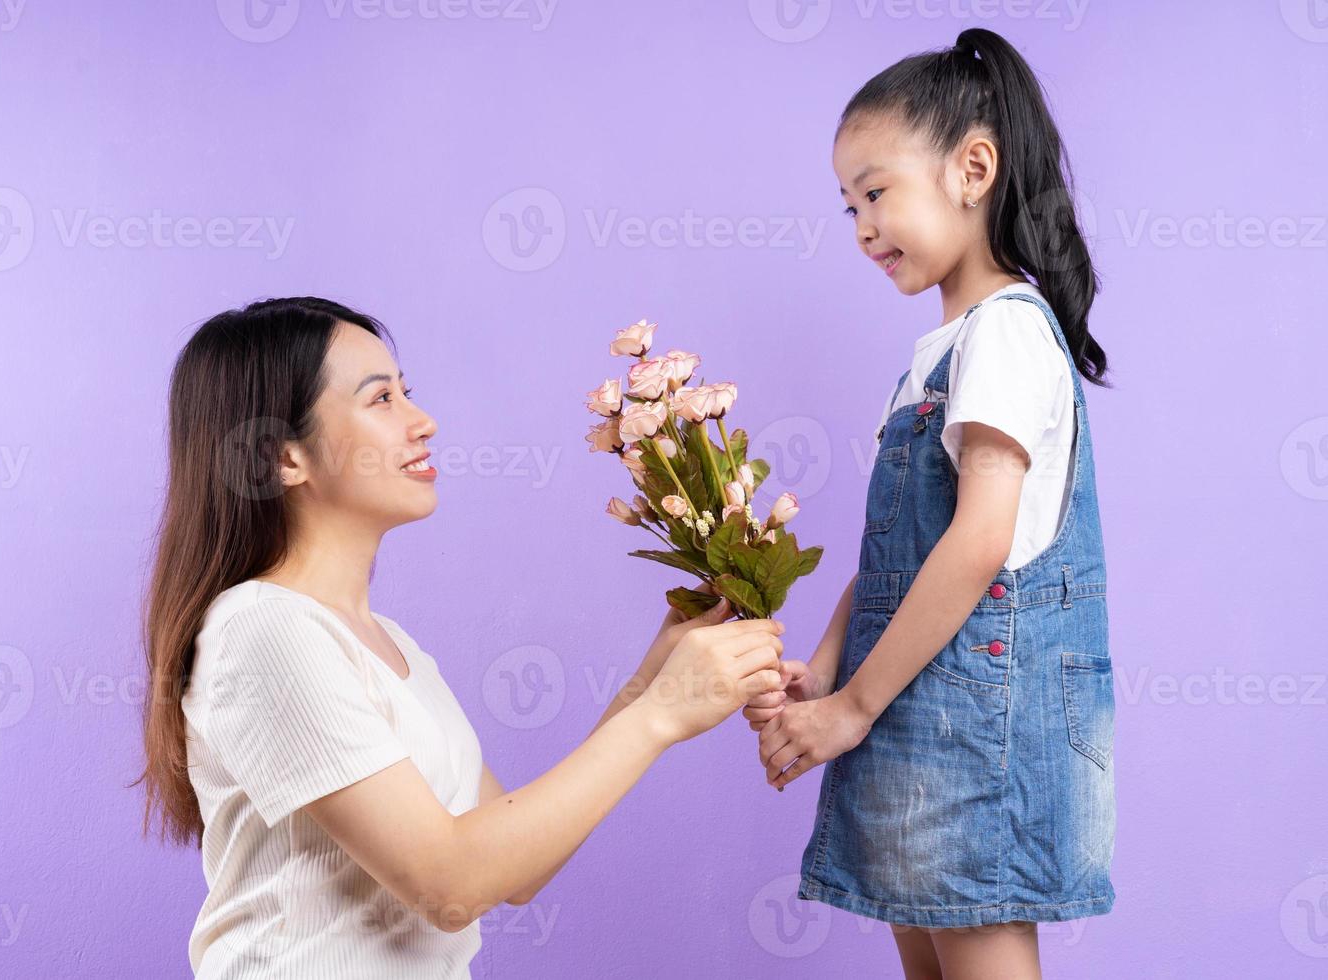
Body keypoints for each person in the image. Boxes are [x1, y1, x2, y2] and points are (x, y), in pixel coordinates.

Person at [134, 296, 785, 978]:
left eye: (406, 392)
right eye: (381, 399)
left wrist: (652, 682)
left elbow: (511, 872)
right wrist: (658, 716)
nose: (423, 422)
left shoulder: (387, 644)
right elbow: (448, 887)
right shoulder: (263, 630)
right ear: (283, 457)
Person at [744, 28, 1115, 980]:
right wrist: (825, 671)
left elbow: (982, 539)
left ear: (972, 169)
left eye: (876, 192)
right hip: (918, 716)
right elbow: (901, 550)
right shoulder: (937, 355)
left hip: (971, 732)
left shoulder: (1006, 334)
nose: (863, 226)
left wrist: (854, 706)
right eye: (848, 207)